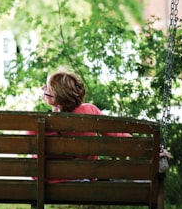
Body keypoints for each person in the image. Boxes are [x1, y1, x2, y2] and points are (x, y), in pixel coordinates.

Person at [38, 71, 170, 182]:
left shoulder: (40, 122)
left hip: (49, 184)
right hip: (85, 180)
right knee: (115, 177)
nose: (43, 89)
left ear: (56, 98)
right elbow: (120, 137)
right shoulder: (89, 111)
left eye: (47, 88)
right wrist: (152, 148)